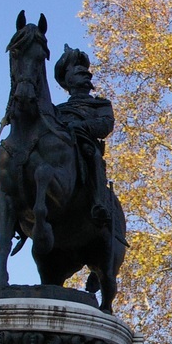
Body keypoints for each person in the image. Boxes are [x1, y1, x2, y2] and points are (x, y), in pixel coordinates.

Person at [54, 44, 116, 227]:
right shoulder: (57, 110)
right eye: (79, 72)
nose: (85, 74)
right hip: (60, 148)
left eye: (86, 72)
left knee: (94, 158)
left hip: (85, 146)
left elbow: (105, 125)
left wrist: (80, 126)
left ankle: (98, 203)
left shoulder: (101, 104)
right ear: (68, 80)